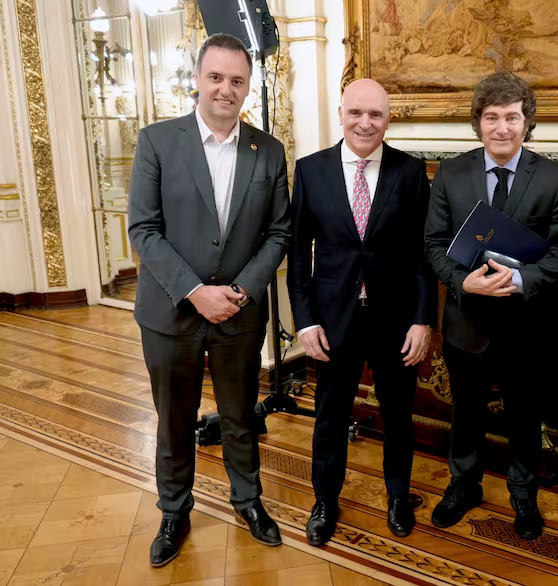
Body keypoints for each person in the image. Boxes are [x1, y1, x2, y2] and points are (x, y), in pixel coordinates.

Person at [128, 33, 291, 567]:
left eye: (237, 80)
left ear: (249, 87)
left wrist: (240, 292)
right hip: (171, 312)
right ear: (196, 79)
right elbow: (145, 230)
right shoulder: (156, 141)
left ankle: (249, 501)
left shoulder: (268, 150)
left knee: (241, 416)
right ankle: (174, 510)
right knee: (175, 418)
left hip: (239, 316)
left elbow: (279, 233)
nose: (226, 89)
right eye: (216, 77)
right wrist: (196, 292)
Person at [424, 71, 558, 540]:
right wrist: (462, 282)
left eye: (512, 117)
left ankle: (523, 496)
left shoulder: (554, 177)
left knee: (524, 418)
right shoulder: (451, 173)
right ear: (479, 123)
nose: (502, 127)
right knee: (464, 413)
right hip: (465, 320)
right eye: (492, 117)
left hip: (526, 325)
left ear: (526, 122)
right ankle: (463, 485)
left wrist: (521, 279)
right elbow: (432, 244)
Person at [288, 78, 437, 546]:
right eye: (357, 113)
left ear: (388, 119)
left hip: (395, 321)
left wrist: (422, 319)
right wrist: (306, 320)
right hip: (333, 321)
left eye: (376, 114)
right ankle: (325, 500)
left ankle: (397, 496)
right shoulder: (310, 171)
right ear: (341, 114)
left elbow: (422, 255)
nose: (365, 123)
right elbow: (297, 255)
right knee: (330, 415)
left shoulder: (411, 173)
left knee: (398, 414)